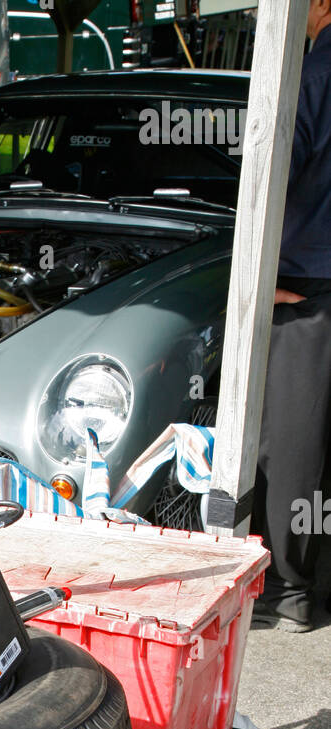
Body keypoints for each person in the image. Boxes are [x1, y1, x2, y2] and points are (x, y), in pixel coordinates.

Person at [252, 0, 331, 633]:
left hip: (309, 284)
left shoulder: (312, 73)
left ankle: (289, 592)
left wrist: (261, 276)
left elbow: (277, 167)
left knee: (294, 443)